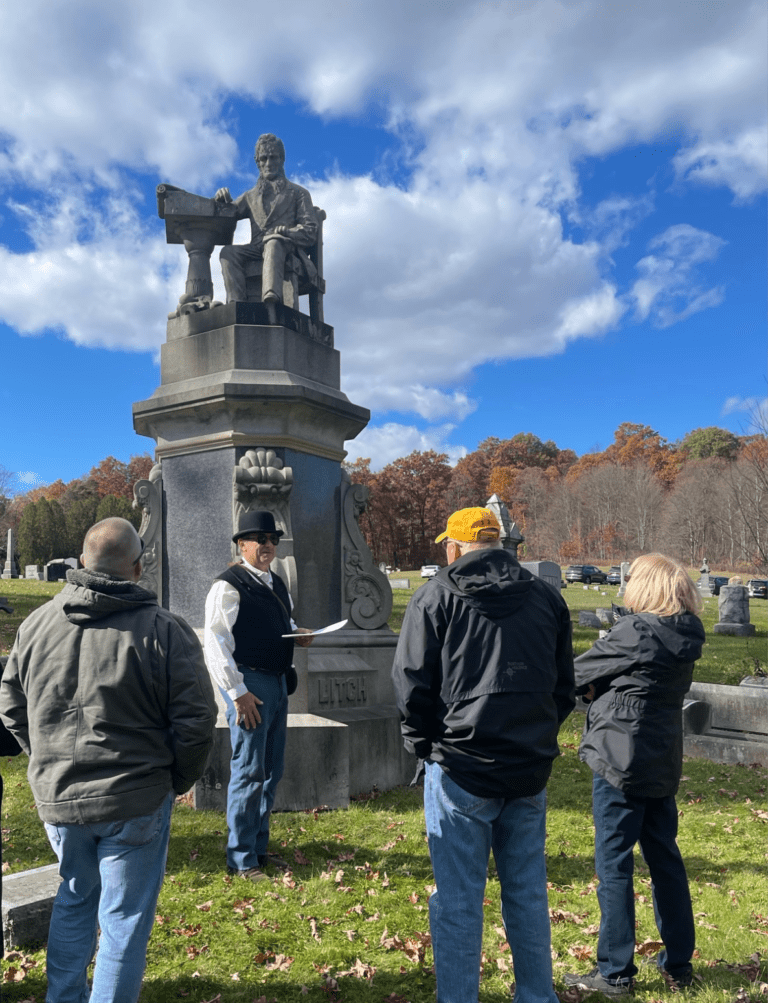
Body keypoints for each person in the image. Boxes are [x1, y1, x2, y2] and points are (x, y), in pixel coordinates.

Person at [0, 517, 217, 1003]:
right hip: (135, 799)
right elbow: (197, 719)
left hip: (62, 798)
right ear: (138, 568)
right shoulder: (165, 629)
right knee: (123, 921)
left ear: (81, 562)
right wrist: (177, 779)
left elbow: (10, 704)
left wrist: (45, 758)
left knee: (74, 901)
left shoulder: (36, 625)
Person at [392, 507, 575, 1003]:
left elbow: (411, 687)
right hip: (524, 766)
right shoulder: (546, 597)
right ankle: (537, 995)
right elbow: (564, 688)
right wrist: (536, 737)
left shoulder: (434, 597)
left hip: (459, 765)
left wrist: (425, 745)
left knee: (457, 901)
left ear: (453, 548)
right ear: (499, 544)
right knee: (527, 894)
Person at [564, 553, 705, 996]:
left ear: (645, 587)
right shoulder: (687, 632)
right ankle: (680, 963)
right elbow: (635, 682)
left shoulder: (636, 631)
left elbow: (574, 673)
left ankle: (615, 971)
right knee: (665, 860)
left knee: (615, 865)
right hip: (662, 756)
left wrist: (591, 688)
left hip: (619, 760)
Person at [204, 510, 313, 882]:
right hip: (251, 685)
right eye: (260, 539)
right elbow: (216, 644)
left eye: (273, 539)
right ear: (242, 544)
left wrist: (298, 633)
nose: (268, 545)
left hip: (279, 681)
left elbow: (282, 622)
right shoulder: (228, 585)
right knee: (249, 771)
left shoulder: (275, 582)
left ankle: (258, 848)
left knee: (270, 771)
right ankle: (241, 860)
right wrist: (238, 693)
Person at [215, 133, 318, 305]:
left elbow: (310, 230)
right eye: (264, 159)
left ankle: (272, 299)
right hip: (256, 248)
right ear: (257, 162)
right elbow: (228, 214)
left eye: (273, 157)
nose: (268, 164)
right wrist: (220, 200)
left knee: (273, 242)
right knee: (228, 252)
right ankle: (237, 304)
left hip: (287, 248)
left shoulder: (298, 193)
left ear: (282, 159)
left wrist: (288, 232)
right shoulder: (250, 196)